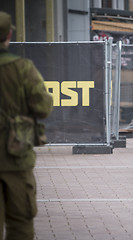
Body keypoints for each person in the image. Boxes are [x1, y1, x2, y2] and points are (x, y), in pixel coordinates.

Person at [0, 11, 53, 239]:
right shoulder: (22, 68)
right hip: (15, 156)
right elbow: (43, 107)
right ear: (9, 35)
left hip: (16, 155)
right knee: (20, 222)